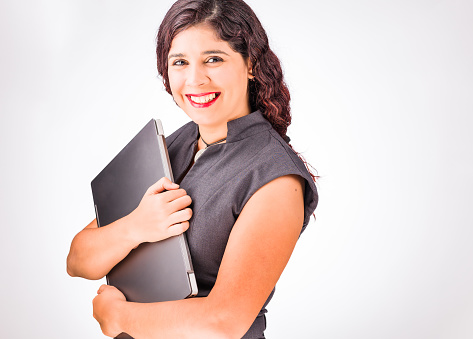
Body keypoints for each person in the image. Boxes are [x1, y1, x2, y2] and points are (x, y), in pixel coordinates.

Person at [66, 0, 318, 337]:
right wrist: (137, 226)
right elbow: (79, 260)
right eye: (180, 62)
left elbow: (224, 322)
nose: (195, 79)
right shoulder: (173, 144)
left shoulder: (275, 178)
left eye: (213, 59)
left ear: (251, 65)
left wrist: (120, 318)